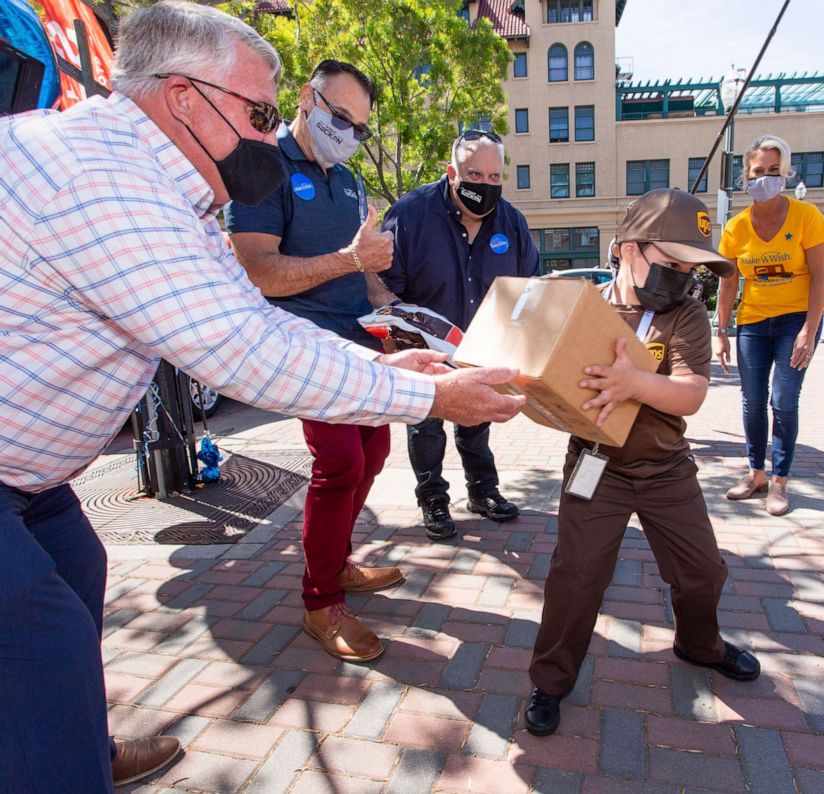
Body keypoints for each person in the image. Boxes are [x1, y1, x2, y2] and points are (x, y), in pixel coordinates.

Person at [0, 3, 523, 791]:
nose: (267, 135)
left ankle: (72, 743)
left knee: (78, 570)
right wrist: (430, 401)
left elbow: (241, 317)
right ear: (183, 96)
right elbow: (240, 345)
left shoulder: (174, 187)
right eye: (261, 112)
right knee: (43, 637)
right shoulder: (103, 176)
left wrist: (402, 377)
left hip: (31, 480)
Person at [524, 189, 761, 738]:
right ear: (629, 249)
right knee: (575, 579)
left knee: (703, 572)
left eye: (692, 267)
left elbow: (691, 394)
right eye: (671, 263)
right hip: (595, 467)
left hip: (666, 469)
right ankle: (551, 681)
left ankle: (699, 645)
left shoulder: (687, 315)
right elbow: (544, 386)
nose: (683, 277)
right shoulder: (584, 309)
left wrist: (633, 382)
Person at [227, 59, 401, 663]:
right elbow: (257, 271)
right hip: (302, 345)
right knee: (340, 464)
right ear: (306, 97)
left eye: (358, 126)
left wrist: (397, 312)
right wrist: (351, 261)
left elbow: (368, 277)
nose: (348, 133)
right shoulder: (261, 168)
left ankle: (338, 562)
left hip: (358, 346)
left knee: (374, 452)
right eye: (339, 117)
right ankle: (320, 601)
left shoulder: (350, 181)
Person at [380, 129, 540, 541]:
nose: (484, 186)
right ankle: (432, 496)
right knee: (426, 427)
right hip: (425, 352)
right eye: (474, 174)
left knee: (477, 421)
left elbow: (529, 288)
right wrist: (399, 337)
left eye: (493, 178)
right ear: (452, 172)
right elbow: (382, 286)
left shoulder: (511, 222)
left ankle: (482, 492)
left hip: (481, 346)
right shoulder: (410, 214)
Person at [715, 134, 824, 516]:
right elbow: (728, 280)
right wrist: (722, 330)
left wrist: (808, 331)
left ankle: (780, 481)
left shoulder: (806, 216)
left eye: (773, 171)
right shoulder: (735, 227)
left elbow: (819, 277)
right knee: (751, 403)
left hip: (796, 321)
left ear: (785, 173)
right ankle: (756, 474)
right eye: (758, 171)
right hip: (753, 321)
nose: (765, 178)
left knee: (783, 401)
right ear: (745, 177)